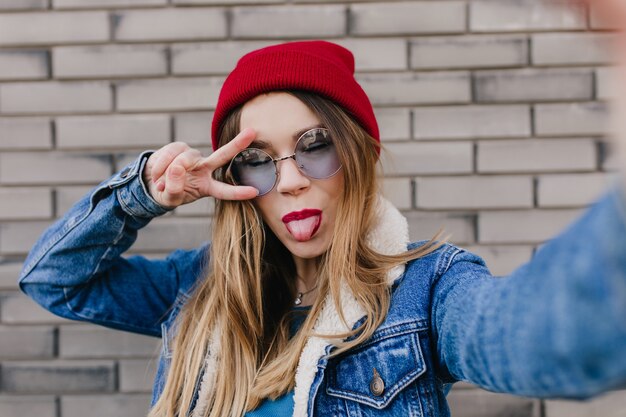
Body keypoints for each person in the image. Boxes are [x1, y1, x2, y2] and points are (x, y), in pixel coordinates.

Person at [18, 4, 626, 417]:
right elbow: (54, 279)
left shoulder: (428, 291)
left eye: (315, 148)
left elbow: (544, 335)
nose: (288, 181)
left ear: (358, 156)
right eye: (258, 160)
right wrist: (141, 194)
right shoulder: (198, 289)